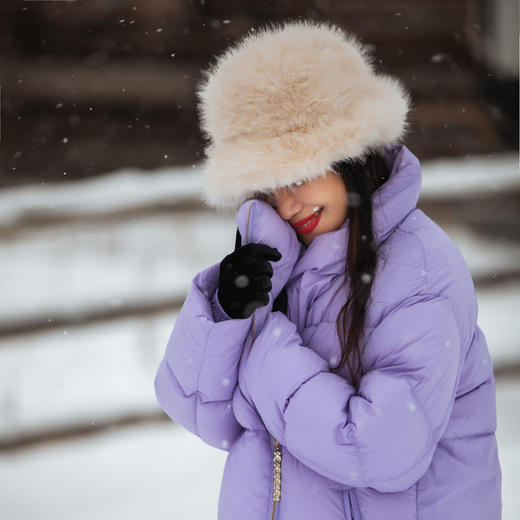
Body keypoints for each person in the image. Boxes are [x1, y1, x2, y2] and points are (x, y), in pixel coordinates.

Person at [154, 19, 502, 520]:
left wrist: (262, 342)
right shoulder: (281, 258)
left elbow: (380, 450)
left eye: (298, 172)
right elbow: (202, 414)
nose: (288, 203)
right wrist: (226, 314)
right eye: (269, 186)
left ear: (349, 154)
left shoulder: (420, 269)